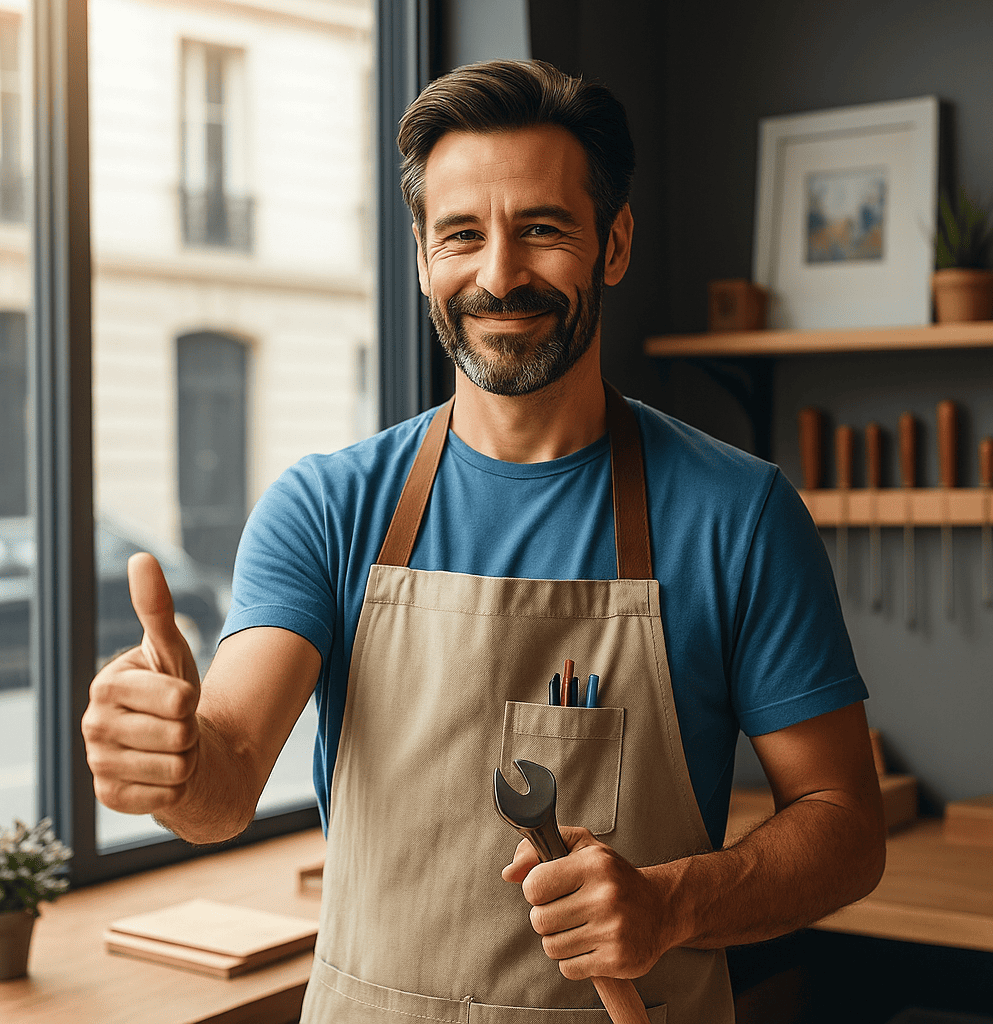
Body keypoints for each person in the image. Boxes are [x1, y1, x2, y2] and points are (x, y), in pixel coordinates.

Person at [82, 59, 885, 1023]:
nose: (499, 275)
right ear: (423, 256)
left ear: (614, 243)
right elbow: (224, 786)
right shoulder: (327, 507)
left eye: (542, 229)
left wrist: (673, 904)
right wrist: (172, 760)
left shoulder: (737, 514)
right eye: (462, 235)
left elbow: (846, 829)